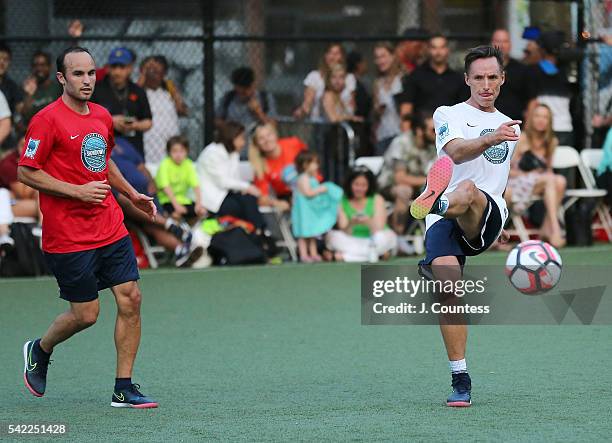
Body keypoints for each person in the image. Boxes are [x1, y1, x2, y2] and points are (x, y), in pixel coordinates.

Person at [17, 46, 158, 408]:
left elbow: (103, 159)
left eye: (92, 73)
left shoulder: (101, 115)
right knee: (86, 315)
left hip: (109, 225)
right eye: (78, 74)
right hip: (68, 235)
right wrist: (77, 191)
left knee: (131, 298)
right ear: (62, 78)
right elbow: (26, 171)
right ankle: (40, 348)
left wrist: (131, 194)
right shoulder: (47, 119)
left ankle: (123, 387)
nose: (87, 80)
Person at [409, 45, 521, 407]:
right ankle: (460, 378)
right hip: (447, 217)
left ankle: (436, 198)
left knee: (470, 190)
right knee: (448, 289)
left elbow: (498, 179)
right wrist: (491, 137)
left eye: (492, 77)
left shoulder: (508, 126)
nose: (486, 84)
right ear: (467, 80)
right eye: (479, 78)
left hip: (483, 213)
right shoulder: (449, 114)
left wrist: (502, 219)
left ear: (502, 79)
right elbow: (455, 153)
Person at [111, 137, 204, 268]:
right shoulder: (95, 145)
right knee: (148, 217)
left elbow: (141, 166)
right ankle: (171, 227)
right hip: (123, 197)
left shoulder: (122, 143)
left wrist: (150, 181)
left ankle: (180, 249)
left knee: (153, 221)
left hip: (146, 192)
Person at [506, 104, 566, 248]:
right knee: (553, 180)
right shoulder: (521, 139)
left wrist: (545, 177)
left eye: (545, 117)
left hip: (540, 183)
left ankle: (547, 229)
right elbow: (507, 170)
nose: (541, 120)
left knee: (559, 181)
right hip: (516, 182)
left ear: (549, 121)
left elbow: (548, 169)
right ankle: (554, 230)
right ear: (531, 118)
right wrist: (527, 173)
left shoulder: (551, 141)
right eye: (538, 116)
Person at [197, 121, 265, 231]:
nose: (243, 143)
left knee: (249, 199)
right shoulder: (212, 153)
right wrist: (247, 187)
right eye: (241, 138)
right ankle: (258, 232)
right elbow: (222, 181)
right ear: (232, 136)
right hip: (210, 200)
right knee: (238, 208)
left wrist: (244, 189)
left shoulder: (233, 153)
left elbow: (234, 178)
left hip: (224, 194)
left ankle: (259, 230)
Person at [378, 113, 437, 234]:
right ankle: (397, 236)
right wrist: (429, 181)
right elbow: (399, 178)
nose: (437, 133)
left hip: (419, 187)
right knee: (404, 190)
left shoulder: (433, 146)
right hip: (389, 185)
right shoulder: (402, 143)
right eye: (433, 130)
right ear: (419, 131)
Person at [326, 167, 397, 262]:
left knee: (385, 237)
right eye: (356, 184)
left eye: (364, 185)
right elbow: (344, 229)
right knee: (332, 237)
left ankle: (347, 257)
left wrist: (367, 221)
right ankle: (375, 255)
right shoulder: (343, 200)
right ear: (350, 184)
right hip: (352, 240)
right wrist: (352, 222)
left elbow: (379, 228)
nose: (359, 188)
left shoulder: (377, 198)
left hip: (373, 239)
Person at [91, 47, 152, 157]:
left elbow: (148, 122)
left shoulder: (138, 91)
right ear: (108, 68)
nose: (117, 72)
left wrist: (134, 125)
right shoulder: (96, 90)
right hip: (104, 149)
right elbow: (86, 118)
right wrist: (111, 121)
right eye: (114, 67)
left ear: (130, 69)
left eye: (122, 67)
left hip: (133, 146)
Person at [397, 35, 469, 120]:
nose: (438, 52)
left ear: (447, 50)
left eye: (442, 47)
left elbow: (465, 111)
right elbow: (406, 108)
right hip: (421, 130)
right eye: (434, 48)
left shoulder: (458, 79)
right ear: (428, 50)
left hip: (452, 129)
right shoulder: (415, 76)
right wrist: (407, 131)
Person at [291, 151, 342, 262]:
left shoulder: (311, 178)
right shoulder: (303, 178)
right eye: (314, 163)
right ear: (305, 164)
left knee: (312, 234)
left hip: (310, 212)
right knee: (303, 235)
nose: (317, 166)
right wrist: (322, 189)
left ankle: (313, 253)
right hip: (304, 213)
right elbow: (308, 193)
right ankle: (304, 254)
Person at [138, 55, 185, 171]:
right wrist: (143, 75)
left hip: (169, 141)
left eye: (159, 71)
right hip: (149, 144)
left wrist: (173, 89)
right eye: (151, 70)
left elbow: (182, 110)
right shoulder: (139, 92)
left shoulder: (167, 91)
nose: (155, 75)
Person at [526, 32, 574, 146]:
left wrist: (527, 128)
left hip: (543, 129)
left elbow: (533, 102)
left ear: (542, 50)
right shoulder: (566, 72)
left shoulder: (534, 71)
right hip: (565, 127)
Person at [249, 123, 306, 210]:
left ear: (275, 135)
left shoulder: (293, 143)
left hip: (309, 186)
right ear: (257, 144)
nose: (266, 140)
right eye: (261, 138)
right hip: (288, 196)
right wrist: (275, 203)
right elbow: (262, 198)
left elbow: (311, 162)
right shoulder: (260, 166)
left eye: (269, 135)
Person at [294, 43, 356, 121]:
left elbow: (351, 105)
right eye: (330, 53)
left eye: (337, 53)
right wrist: (301, 111)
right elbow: (307, 105)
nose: (333, 57)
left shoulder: (350, 78)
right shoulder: (315, 77)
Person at [156, 135, 206, 221]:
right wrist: (176, 206)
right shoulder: (165, 164)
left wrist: (198, 204)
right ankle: (180, 232)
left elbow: (196, 185)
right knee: (176, 214)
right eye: (174, 151)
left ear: (187, 151)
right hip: (166, 200)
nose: (178, 155)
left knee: (202, 211)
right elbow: (166, 187)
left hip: (183, 200)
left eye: (182, 151)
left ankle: (192, 232)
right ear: (169, 152)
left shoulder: (188, 164)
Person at [491, 29, 536, 122]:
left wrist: (528, 126)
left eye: (505, 41)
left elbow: (532, 100)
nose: (502, 45)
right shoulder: (482, 68)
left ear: (510, 45)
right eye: (498, 41)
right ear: (491, 44)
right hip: (486, 123)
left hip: (515, 124)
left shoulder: (523, 70)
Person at [216, 66, 277, 133]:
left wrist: (258, 113)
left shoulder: (265, 98)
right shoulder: (228, 98)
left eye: (248, 88)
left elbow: (272, 127)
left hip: (257, 140)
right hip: (234, 139)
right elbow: (217, 120)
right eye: (242, 92)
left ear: (253, 84)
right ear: (235, 87)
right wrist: (230, 128)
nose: (247, 93)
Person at [372, 42, 404, 155]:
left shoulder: (403, 78)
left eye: (383, 56)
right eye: (377, 57)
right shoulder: (378, 83)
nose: (380, 61)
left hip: (400, 133)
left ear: (393, 56)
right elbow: (375, 113)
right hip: (382, 135)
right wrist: (377, 110)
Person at [0, 136, 40, 220]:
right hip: (8, 203)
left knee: (45, 198)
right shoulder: (9, 164)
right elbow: (24, 193)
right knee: (45, 203)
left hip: (22, 200)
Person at [20, 51, 62, 128]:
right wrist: (29, 94)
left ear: (49, 67)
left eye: (43, 65)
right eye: (35, 65)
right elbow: (25, 115)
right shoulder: (26, 88)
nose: (39, 68)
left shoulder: (58, 88)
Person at [0, 42, 24, 116]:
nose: (2, 62)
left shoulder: (12, 86)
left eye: (5, 59)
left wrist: (28, 95)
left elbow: (21, 110)